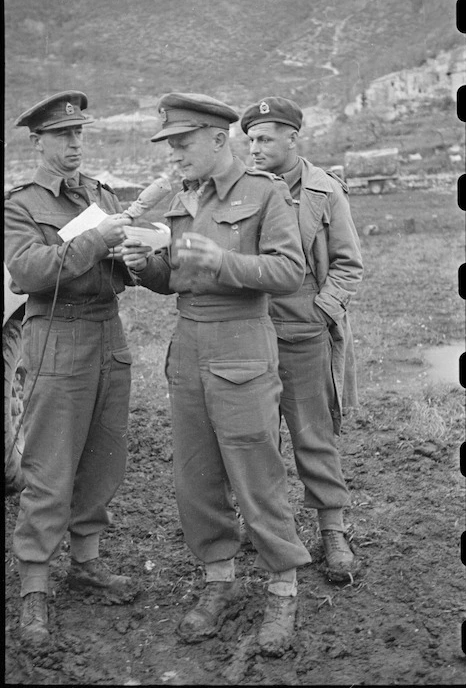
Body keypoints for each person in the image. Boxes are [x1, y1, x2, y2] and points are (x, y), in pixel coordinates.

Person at [121, 92, 312, 656]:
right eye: (169, 145)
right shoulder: (184, 198)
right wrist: (148, 269)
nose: (174, 155)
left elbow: (288, 269)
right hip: (188, 347)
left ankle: (283, 586)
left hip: (242, 347)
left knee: (256, 470)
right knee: (195, 475)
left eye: (182, 144)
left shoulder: (264, 193)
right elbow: (178, 277)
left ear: (216, 137)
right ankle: (219, 580)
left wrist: (222, 262)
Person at [4, 91, 137, 648]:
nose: (75, 143)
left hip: (107, 330)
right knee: (49, 465)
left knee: (103, 455)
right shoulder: (21, 203)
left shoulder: (100, 193)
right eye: (63, 136)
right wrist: (92, 241)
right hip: (55, 333)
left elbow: (117, 267)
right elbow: (25, 271)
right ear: (38, 141)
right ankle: (34, 585)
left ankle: (85, 564)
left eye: (80, 134)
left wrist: (134, 254)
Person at [240, 96, 364, 583]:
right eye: (249, 139)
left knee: (314, 435)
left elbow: (349, 264)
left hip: (305, 329)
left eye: (265, 138)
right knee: (256, 436)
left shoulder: (324, 190)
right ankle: (271, 530)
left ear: (293, 138)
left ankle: (332, 529)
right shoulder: (243, 189)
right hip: (251, 331)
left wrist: (321, 310)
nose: (255, 148)